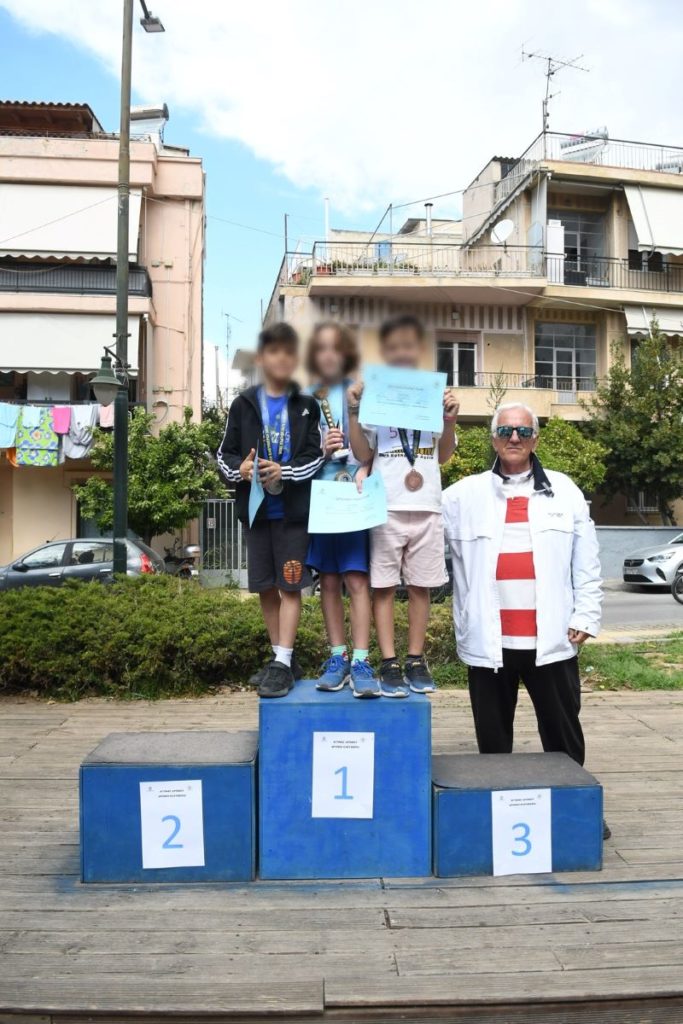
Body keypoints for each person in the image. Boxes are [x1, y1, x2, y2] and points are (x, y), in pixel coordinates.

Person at [442, 402, 606, 830]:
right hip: (489, 641)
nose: (514, 437)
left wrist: (586, 615)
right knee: (493, 740)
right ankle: (501, 817)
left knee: (562, 733)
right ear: (493, 438)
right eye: (505, 430)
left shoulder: (565, 490)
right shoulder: (462, 495)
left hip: (551, 639)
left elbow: (587, 562)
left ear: (535, 438)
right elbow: (419, 531)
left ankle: (575, 813)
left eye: (523, 431)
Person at [347, 314, 459, 697]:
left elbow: (443, 456)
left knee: (420, 587)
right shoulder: (375, 394)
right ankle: (389, 662)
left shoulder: (433, 394)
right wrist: (354, 411)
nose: (401, 352)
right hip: (388, 505)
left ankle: (414, 659)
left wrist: (450, 419)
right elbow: (363, 453)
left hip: (427, 506)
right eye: (393, 347)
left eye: (408, 346)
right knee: (383, 588)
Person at [217, 322, 323, 698]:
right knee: (264, 587)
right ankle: (282, 658)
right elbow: (224, 455)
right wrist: (242, 470)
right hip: (257, 512)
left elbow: (316, 458)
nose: (281, 358)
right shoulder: (242, 404)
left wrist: (285, 471)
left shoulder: (307, 405)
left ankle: (282, 660)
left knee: (290, 586)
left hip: (293, 515)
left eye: (288, 352)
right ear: (261, 359)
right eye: (273, 351)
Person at [305, 321, 381, 698]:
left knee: (356, 579)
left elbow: (381, 443)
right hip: (322, 495)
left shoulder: (365, 391)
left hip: (357, 494)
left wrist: (367, 465)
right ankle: (338, 656)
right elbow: (296, 453)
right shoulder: (306, 396)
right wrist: (320, 450)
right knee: (330, 580)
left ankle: (362, 661)